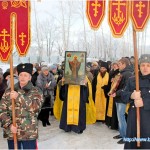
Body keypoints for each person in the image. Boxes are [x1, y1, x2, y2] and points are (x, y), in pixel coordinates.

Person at [0, 63, 44, 149]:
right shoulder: (9, 91)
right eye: (21, 75)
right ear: (18, 76)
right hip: (13, 132)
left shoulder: (36, 91)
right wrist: (9, 125)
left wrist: (19, 97)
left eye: (25, 75)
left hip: (28, 133)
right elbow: (2, 110)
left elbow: (35, 108)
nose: (23, 77)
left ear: (30, 77)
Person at [121, 54, 150, 149]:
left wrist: (145, 102)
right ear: (139, 66)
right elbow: (123, 95)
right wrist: (131, 95)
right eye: (143, 65)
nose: (145, 68)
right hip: (134, 118)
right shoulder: (133, 80)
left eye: (148, 65)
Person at [110, 57, 133, 144]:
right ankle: (122, 133)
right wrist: (114, 82)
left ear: (124, 64)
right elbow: (118, 84)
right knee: (120, 118)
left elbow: (126, 88)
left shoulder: (128, 74)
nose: (118, 66)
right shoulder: (122, 73)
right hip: (118, 98)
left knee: (122, 118)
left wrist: (116, 93)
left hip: (122, 98)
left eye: (119, 64)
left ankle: (125, 137)